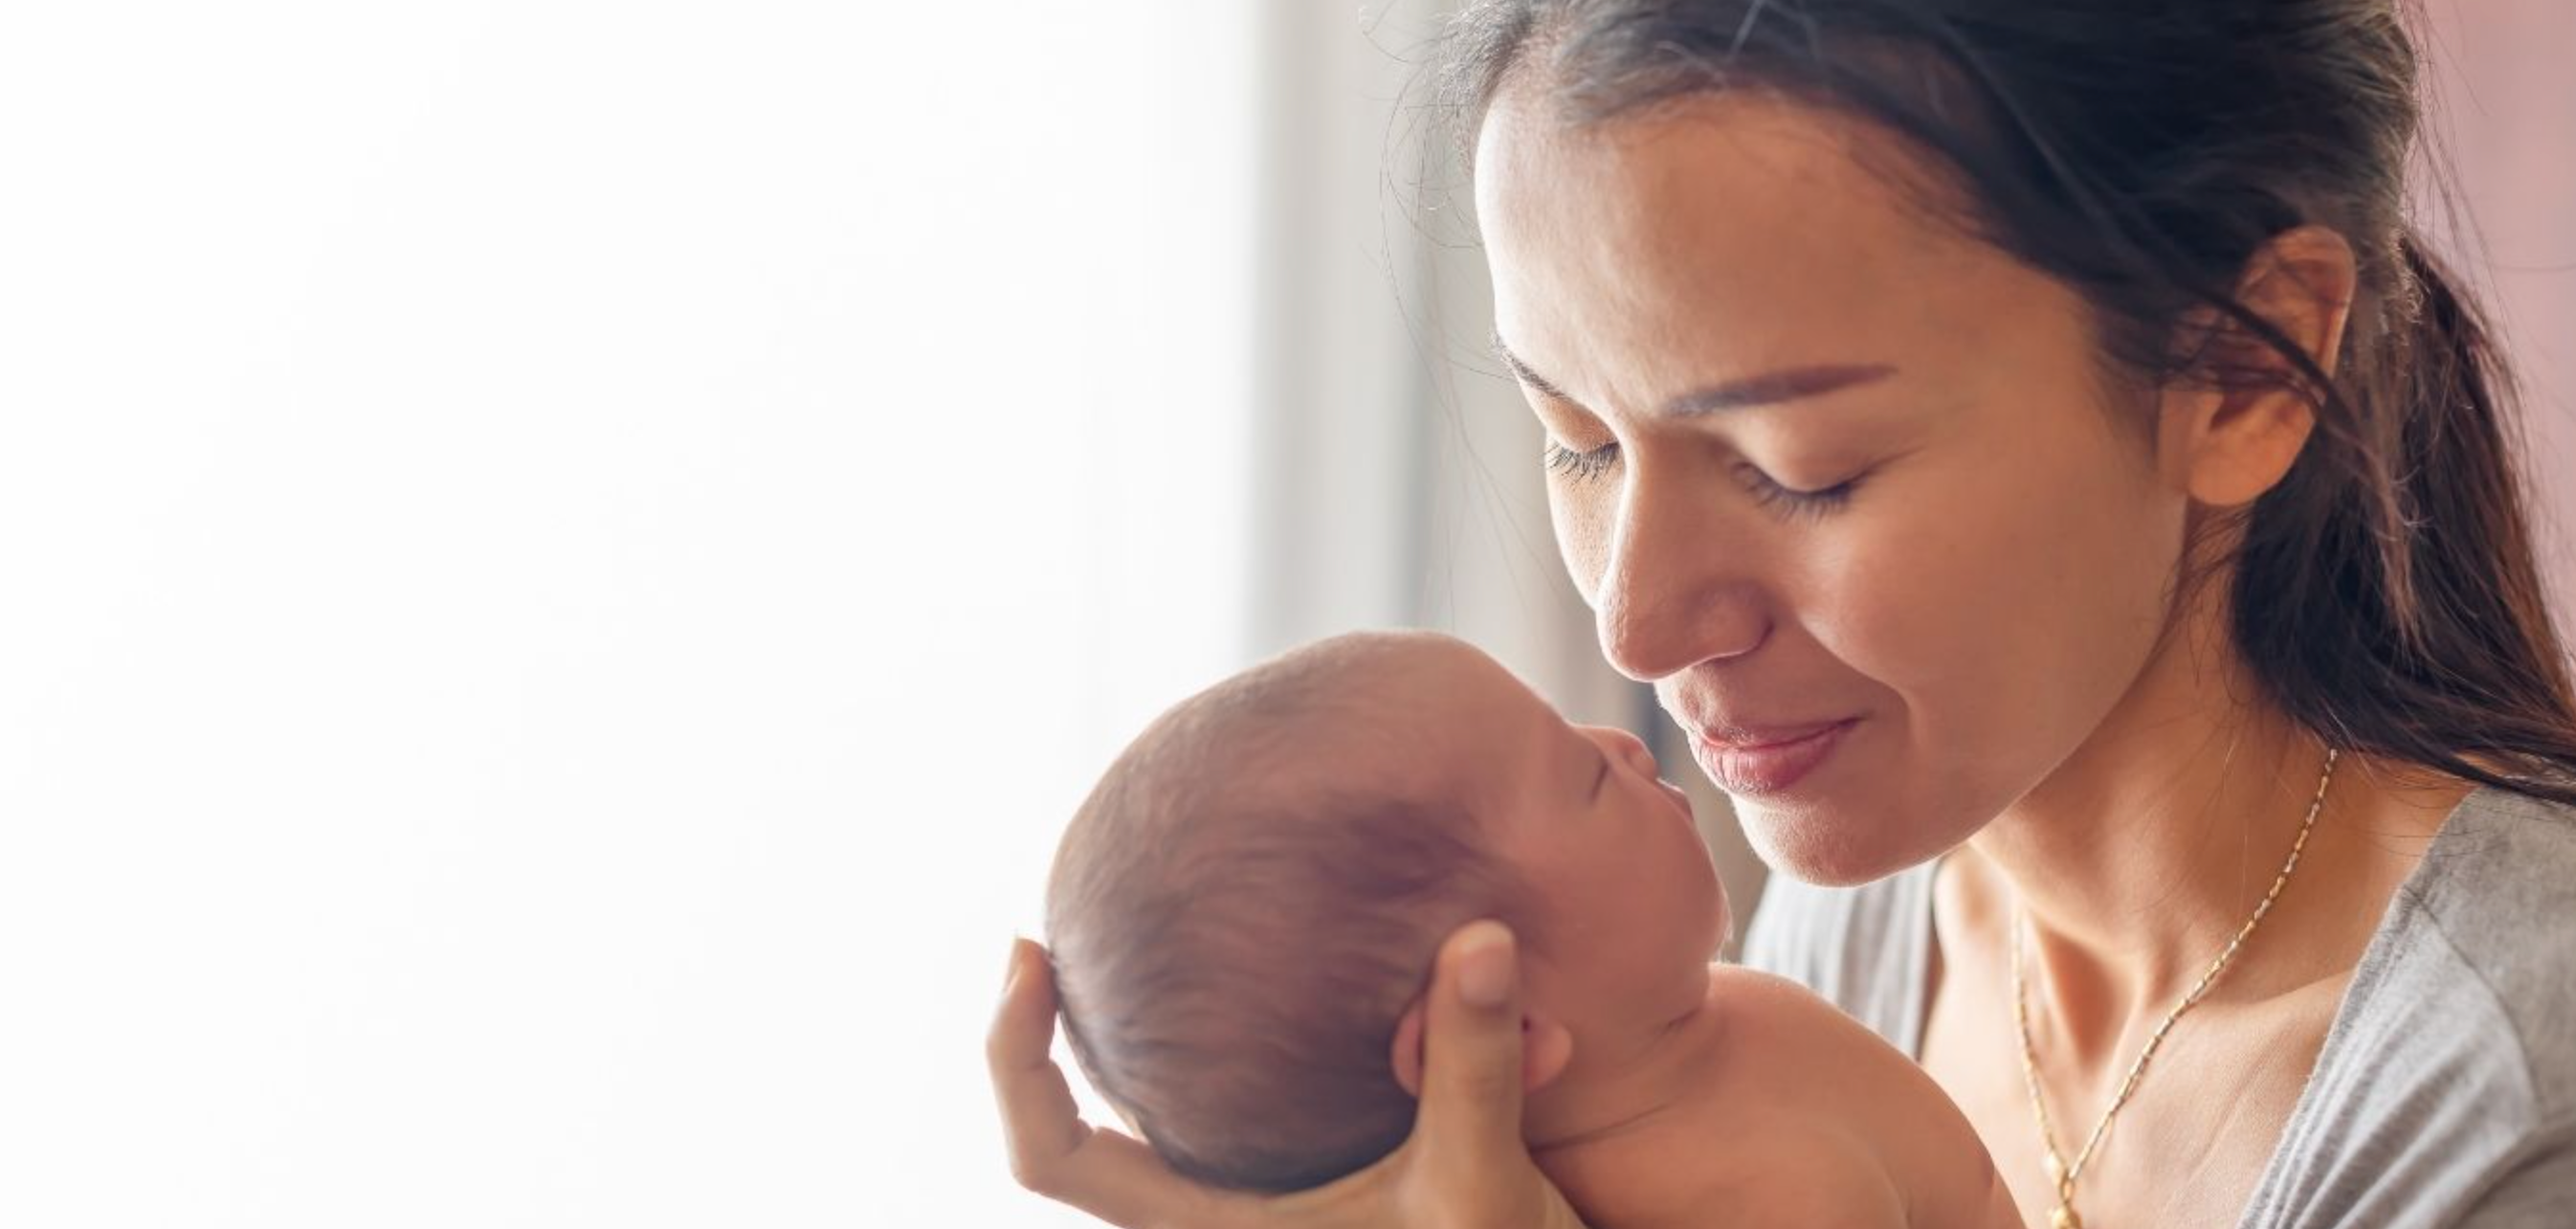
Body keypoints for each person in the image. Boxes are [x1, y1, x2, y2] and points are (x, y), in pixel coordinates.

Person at [988, 2, 2576, 1225]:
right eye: (1580, 441)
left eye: (1796, 466)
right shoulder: (1832, 927)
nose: (1634, 620)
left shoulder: (2505, 1098)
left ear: (2237, 368)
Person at [1043, 631, 2019, 1226]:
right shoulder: (1754, 1196)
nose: (1624, 740)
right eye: (1582, 776)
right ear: (1501, 1027)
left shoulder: (1675, 1038)